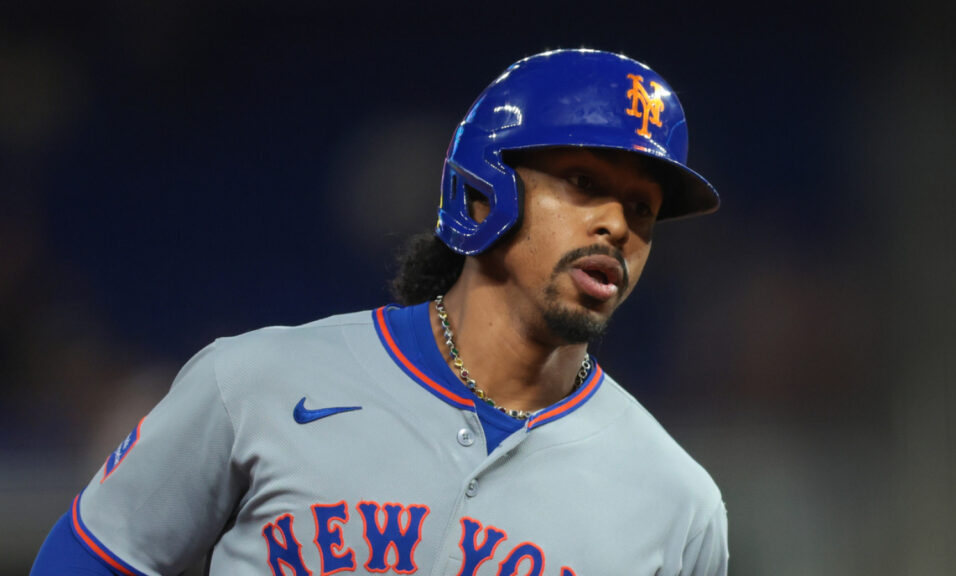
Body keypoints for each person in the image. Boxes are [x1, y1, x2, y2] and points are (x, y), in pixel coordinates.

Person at [32, 48, 728, 576]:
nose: (617, 225)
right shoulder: (255, 382)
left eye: (642, 209)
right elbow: (87, 559)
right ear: (483, 191)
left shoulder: (677, 504)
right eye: (582, 182)